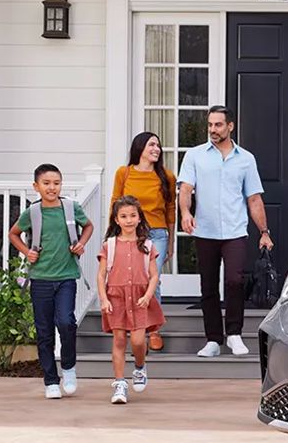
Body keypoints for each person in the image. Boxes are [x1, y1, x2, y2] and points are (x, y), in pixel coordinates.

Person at [177, 105, 273, 358]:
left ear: (230, 126)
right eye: (210, 125)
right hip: (205, 231)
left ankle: (234, 334)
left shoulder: (246, 159)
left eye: (218, 125)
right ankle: (212, 340)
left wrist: (264, 231)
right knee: (208, 286)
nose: (213, 130)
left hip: (235, 230)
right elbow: (185, 189)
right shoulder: (195, 155)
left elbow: (254, 199)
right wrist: (186, 213)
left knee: (235, 281)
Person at [8, 164, 93, 399]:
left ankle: (68, 367)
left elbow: (88, 226)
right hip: (40, 279)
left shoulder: (70, 207)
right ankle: (50, 380)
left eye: (56, 183)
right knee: (44, 331)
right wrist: (27, 252)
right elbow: (13, 233)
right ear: (36, 186)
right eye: (46, 183)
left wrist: (81, 243)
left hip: (66, 276)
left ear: (61, 185)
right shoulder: (32, 213)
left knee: (66, 322)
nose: (52, 187)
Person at [96, 196, 167, 405]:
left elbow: (154, 275)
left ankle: (139, 366)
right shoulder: (109, 246)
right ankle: (119, 383)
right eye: (124, 216)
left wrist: (148, 295)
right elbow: (101, 276)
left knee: (137, 341)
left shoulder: (147, 245)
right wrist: (103, 298)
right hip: (116, 299)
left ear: (139, 218)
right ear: (116, 220)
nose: (128, 220)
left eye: (132, 216)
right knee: (118, 340)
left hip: (139, 299)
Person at [113, 131, 176, 351]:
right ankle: (134, 327)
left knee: (152, 278)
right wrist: (114, 237)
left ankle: (153, 330)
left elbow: (170, 210)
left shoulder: (166, 176)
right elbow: (116, 203)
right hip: (130, 234)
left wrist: (171, 243)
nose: (156, 149)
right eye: (152, 145)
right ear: (140, 148)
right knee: (132, 279)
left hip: (157, 233)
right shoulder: (125, 173)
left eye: (158, 145)